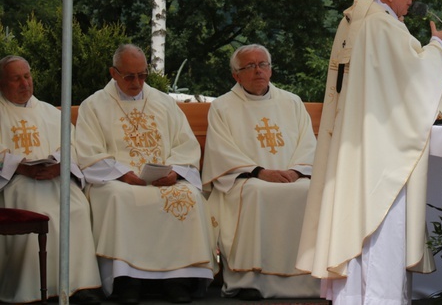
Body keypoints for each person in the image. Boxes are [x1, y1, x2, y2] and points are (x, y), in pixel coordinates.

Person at [297, 0, 442, 304]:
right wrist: (438, 47)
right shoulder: (383, 26)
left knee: (356, 222)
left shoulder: (357, 17)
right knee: (382, 225)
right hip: (381, 151)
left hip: (357, 139)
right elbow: (414, 79)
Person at [74, 44, 217, 304]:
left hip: (163, 177)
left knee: (189, 196)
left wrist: (175, 172)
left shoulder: (163, 102)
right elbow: (89, 152)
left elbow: (185, 145)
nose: (137, 82)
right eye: (130, 76)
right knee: (119, 198)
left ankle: (177, 280)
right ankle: (128, 282)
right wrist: (122, 173)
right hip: (116, 179)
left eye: (142, 75)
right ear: (113, 73)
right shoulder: (94, 106)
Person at [201, 44, 319, 300]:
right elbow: (222, 153)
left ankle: (309, 278)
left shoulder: (292, 102)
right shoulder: (223, 107)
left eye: (262, 65)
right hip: (244, 181)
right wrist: (259, 172)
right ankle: (251, 279)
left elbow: (308, 144)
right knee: (256, 192)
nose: (258, 71)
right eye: (249, 67)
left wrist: (296, 172)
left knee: (310, 191)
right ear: (236, 75)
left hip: (291, 177)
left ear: (271, 70)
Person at [0, 55, 102, 304]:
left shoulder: (50, 112)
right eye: (16, 79)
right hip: (16, 182)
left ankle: (80, 285)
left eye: (27, 76)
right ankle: (31, 288)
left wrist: (60, 166)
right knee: (39, 210)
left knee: (76, 207)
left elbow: (71, 144)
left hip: (54, 178)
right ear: (2, 83)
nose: (25, 84)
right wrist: (22, 168)